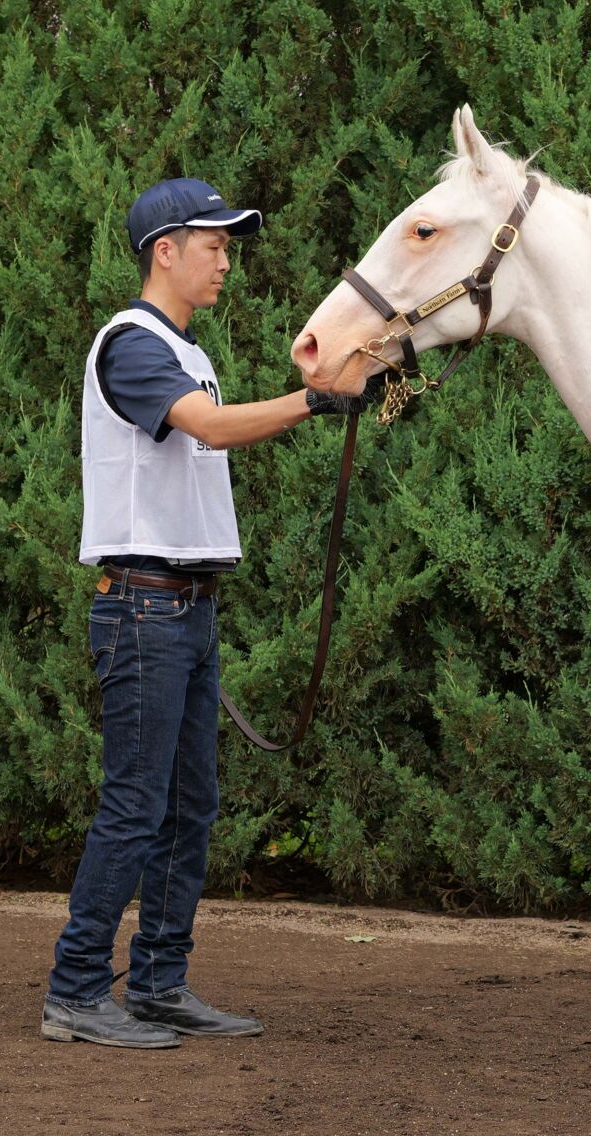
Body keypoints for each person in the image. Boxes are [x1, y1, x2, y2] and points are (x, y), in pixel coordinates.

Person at [44, 178, 377, 1048]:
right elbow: (213, 429)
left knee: (189, 808)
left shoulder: (186, 350)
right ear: (166, 251)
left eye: (228, 246)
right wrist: (317, 400)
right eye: (215, 245)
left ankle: (158, 983)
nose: (227, 261)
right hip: (145, 610)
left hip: (182, 610)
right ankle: (75, 991)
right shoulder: (132, 344)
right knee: (135, 807)